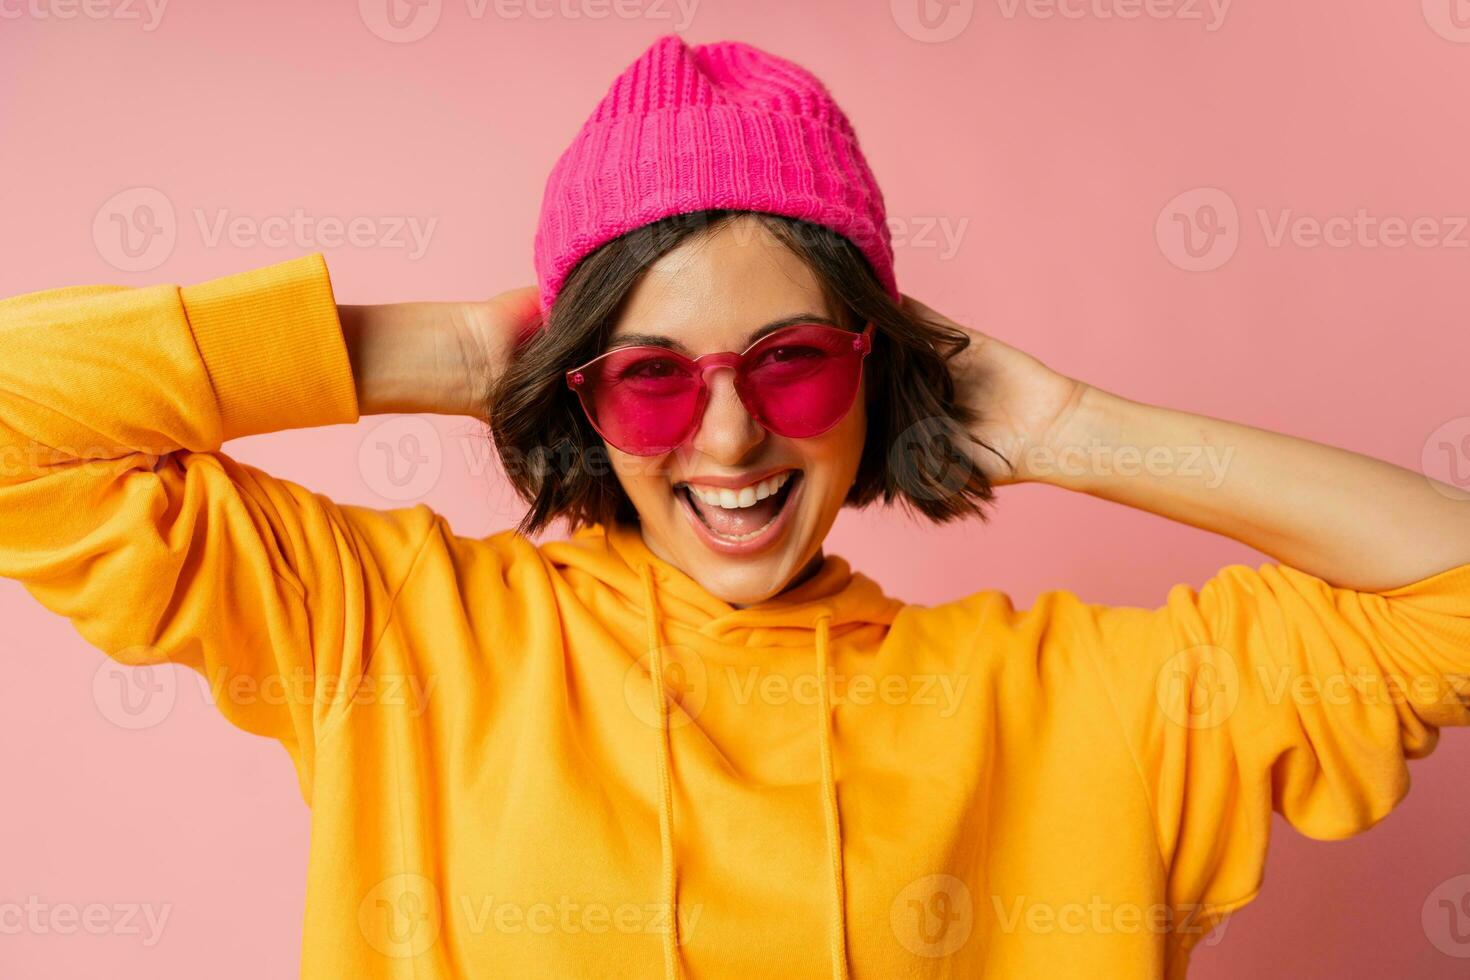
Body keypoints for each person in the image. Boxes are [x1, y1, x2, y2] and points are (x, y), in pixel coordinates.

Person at [2, 33, 1467, 980]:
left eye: (791, 362)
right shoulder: (393, 639)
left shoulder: (1075, 703)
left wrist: (1074, 432)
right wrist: (442, 351)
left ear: (876, 371)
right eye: (646, 374)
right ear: (575, 384)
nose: (727, 434)